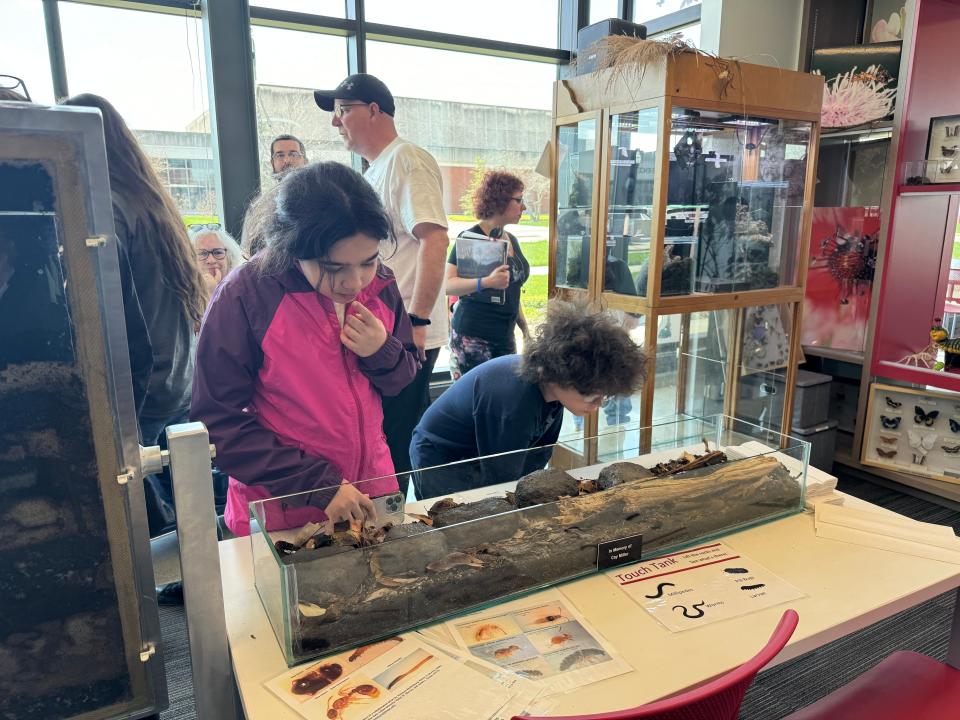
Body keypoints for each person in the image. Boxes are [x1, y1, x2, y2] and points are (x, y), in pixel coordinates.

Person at [191, 162, 419, 537]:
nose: (354, 281)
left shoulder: (381, 284)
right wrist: (319, 485)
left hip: (372, 491)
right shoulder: (247, 294)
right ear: (294, 247)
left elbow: (402, 380)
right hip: (285, 503)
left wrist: (383, 350)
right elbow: (218, 421)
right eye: (334, 267)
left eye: (368, 261)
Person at [61, 93, 206, 537]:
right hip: (176, 374)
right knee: (182, 493)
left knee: (131, 497)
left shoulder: (105, 208)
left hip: (143, 381)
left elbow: (97, 304)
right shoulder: (150, 201)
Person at [314, 73, 449, 480]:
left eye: (343, 110)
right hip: (382, 330)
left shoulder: (407, 160)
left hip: (406, 331)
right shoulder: (374, 171)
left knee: (393, 438)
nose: (336, 122)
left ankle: (395, 528)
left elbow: (436, 239)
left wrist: (420, 320)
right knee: (376, 432)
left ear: (374, 110)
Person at [410, 301, 648, 498]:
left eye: (603, 397)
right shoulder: (514, 402)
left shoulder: (552, 392)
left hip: (482, 454)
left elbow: (534, 459)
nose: (597, 406)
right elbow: (501, 484)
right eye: (592, 396)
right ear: (562, 375)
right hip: (441, 459)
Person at [445, 170, 530, 380]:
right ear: (500, 201)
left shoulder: (511, 239)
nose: (524, 207)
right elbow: (448, 285)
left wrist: (525, 328)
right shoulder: (470, 238)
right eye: (519, 200)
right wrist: (487, 282)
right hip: (474, 337)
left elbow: (513, 289)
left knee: (502, 399)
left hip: (504, 336)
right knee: (476, 402)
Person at [188, 223, 244, 293]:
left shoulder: (242, 289)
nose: (211, 260)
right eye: (202, 253)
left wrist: (213, 292)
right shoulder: (183, 292)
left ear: (230, 258)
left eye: (218, 253)